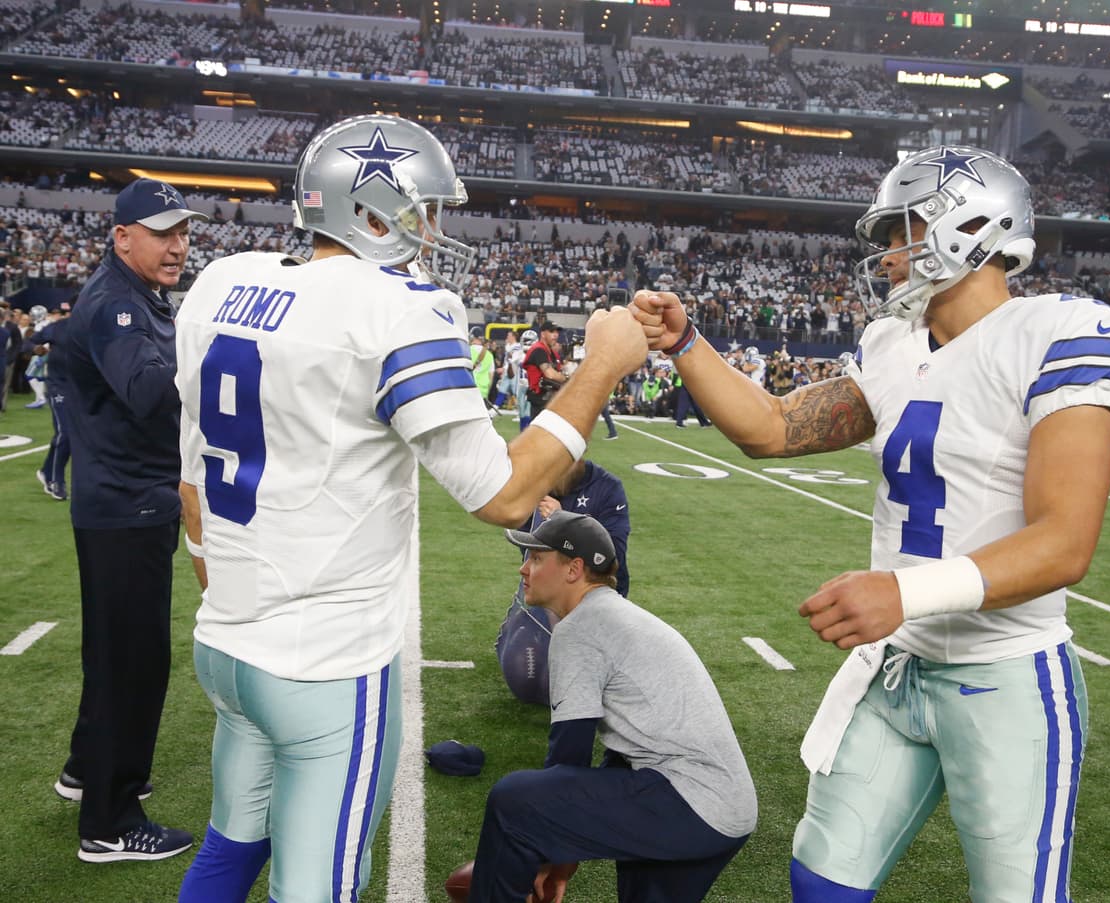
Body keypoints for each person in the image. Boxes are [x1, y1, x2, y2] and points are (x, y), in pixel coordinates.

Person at [631, 145, 1110, 902]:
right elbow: (772, 427)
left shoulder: (1062, 333)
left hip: (1003, 674)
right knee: (821, 877)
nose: (889, 255)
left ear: (962, 227)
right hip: (899, 669)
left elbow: (1064, 542)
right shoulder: (894, 346)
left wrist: (905, 594)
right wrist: (685, 344)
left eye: (900, 232)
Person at [172, 114, 646, 903]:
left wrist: (239, 604)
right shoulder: (396, 306)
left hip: (226, 644)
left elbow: (190, 489)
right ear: (369, 211)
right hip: (324, 661)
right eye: (422, 208)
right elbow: (505, 495)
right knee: (318, 887)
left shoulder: (223, 282)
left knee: (228, 848)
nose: (432, 228)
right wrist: (600, 366)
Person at [468, 511, 756, 903]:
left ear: (574, 569)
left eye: (536, 558)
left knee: (514, 803)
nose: (524, 569)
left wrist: (553, 849)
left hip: (687, 800)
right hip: (728, 811)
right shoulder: (618, 614)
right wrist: (562, 855)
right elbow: (622, 756)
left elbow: (568, 755)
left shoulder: (580, 627)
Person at [57, 177, 208, 862]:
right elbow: (148, 392)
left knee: (114, 654)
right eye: (163, 231)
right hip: (125, 504)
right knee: (134, 662)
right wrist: (205, 339)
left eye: (182, 232)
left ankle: (88, 768)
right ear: (123, 237)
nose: (178, 245)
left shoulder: (133, 295)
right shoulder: (118, 305)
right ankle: (110, 822)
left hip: (121, 500)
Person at [495, 458, 630, 705]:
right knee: (523, 668)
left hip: (594, 598)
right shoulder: (536, 483)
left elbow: (612, 560)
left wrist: (563, 520)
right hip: (555, 594)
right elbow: (530, 553)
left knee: (573, 682)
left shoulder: (607, 488)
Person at [34, 304, 71, 500]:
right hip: (59, 386)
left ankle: (47, 472)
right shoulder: (59, 327)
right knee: (65, 433)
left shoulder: (96, 325)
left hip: (82, 388)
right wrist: (37, 349)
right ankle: (56, 482)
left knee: (71, 435)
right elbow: (32, 341)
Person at [522, 320, 566, 420]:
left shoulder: (551, 352)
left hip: (550, 397)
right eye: (551, 332)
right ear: (542, 334)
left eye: (556, 332)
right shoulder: (539, 350)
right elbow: (549, 374)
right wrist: (566, 378)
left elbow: (559, 369)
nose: (555, 335)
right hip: (540, 398)